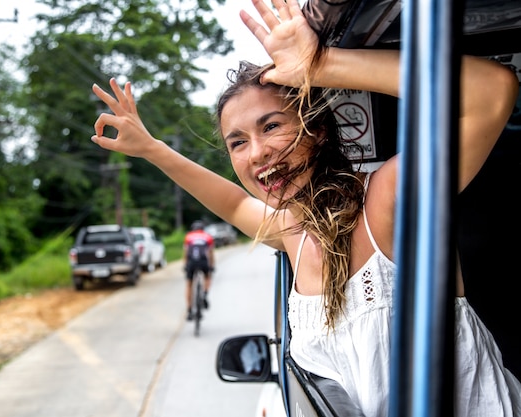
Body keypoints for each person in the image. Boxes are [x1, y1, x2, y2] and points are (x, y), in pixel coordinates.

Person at [89, 0, 520, 415]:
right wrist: (152, 149)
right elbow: (235, 201)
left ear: (317, 129)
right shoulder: (293, 233)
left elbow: (492, 92)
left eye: (271, 126)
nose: (256, 153)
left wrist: (320, 66)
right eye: (237, 142)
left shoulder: (387, 199)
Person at [183, 220, 215, 320]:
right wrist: (211, 266)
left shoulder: (188, 236)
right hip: (203, 261)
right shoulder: (207, 236)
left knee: (189, 284)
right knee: (208, 276)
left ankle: (189, 310)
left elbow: (186, 253)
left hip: (191, 262)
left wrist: (185, 265)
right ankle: (205, 294)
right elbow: (210, 253)